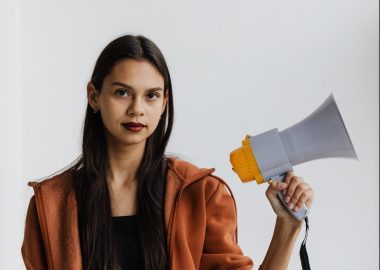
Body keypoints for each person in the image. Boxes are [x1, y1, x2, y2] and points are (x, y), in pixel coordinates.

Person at [21, 34, 315, 270]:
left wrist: (287, 226)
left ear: (164, 103)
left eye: (151, 95)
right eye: (122, 92)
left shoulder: (199, 193)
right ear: (94, 96)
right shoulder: (51, 204)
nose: (137, 108)